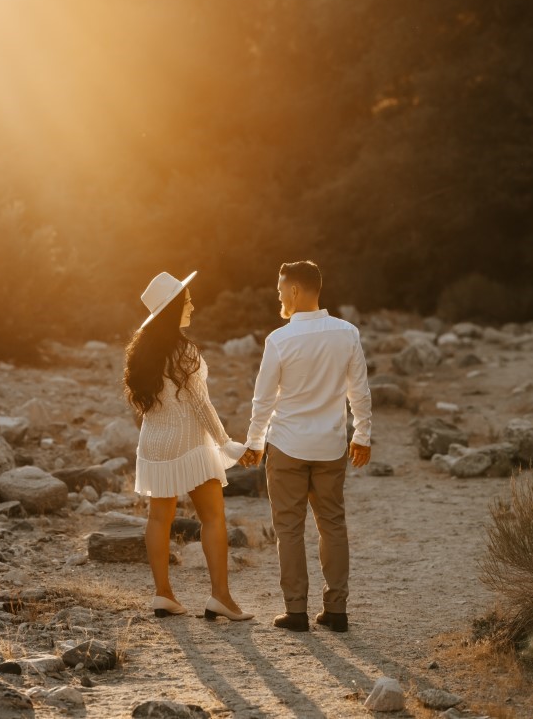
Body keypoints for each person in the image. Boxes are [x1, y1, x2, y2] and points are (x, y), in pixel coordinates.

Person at [240, 260, 371, 632]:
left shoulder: (279, 340)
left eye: (281, 288)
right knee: (333, 525)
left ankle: (295, 611)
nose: (278, 294)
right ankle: (337, 611)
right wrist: (361, 435)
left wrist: (254, 442)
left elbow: (262, 400)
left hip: (287, 446)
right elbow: (358, 391)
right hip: (331, 446)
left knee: (289, 529)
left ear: (295, 290)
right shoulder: (347, 333)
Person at [123, 270, 254, 622]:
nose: (192, 305)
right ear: (174, 308)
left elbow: (146, 404)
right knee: (212, 516)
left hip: (153, 442)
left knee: (158, 517)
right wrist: (227, 444)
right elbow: (200, 405)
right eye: (187, 300)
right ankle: (221, 597)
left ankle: (163, 594)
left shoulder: (140, 351)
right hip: (190, 442)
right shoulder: (184, 351)